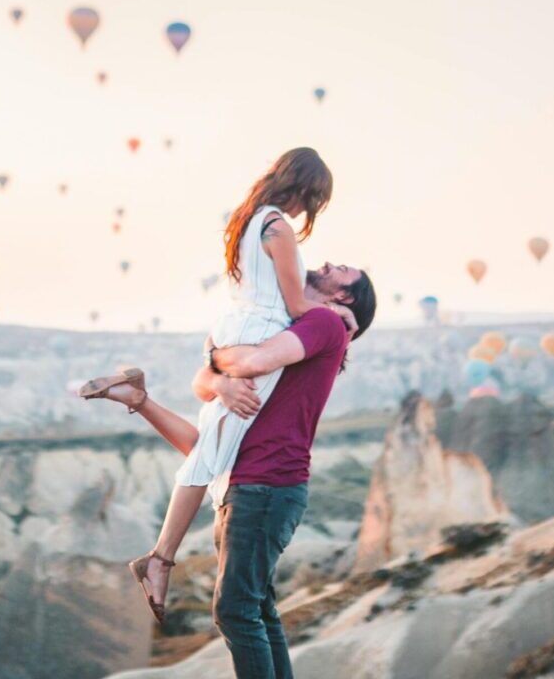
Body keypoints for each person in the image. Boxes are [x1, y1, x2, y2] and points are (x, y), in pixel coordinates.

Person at [81, 261, 375, 679]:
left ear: (344, 298)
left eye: (343, 271)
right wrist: (218, 377)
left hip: (267, 486)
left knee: (234, 611)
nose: (328, 263)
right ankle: (138, 404)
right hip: (242, 484)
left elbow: (251, 362)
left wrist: (217, 357)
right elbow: (204, 396)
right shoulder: (291, 324)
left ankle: (160, 559)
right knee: (257, 608)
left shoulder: (324, 323)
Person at [82, 148, 336, 621]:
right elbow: (299, 307)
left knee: (213, 447)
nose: (310, 210)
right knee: (211, 456)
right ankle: (159, 560)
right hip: (261, 335)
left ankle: (138, 400)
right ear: (305, 187)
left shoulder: (248, 221)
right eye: (315, 198)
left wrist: (219, 372)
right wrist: (331, 325)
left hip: (230, 329)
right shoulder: (280, 228)